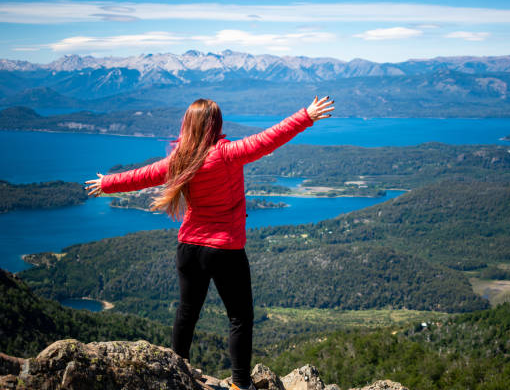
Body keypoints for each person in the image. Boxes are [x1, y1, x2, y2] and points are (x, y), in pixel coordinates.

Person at [85, 96, 334, 390]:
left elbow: (144, 176)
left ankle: (177, 373)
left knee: (187, 312)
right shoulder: (227, 153)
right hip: (225, 249)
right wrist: (306, 115)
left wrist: (107, 183)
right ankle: (240, 384)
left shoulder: (181, 159)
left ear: (188, 125)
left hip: (189, 248)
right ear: (215, 124)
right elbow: (268, 139)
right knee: (240, 317)